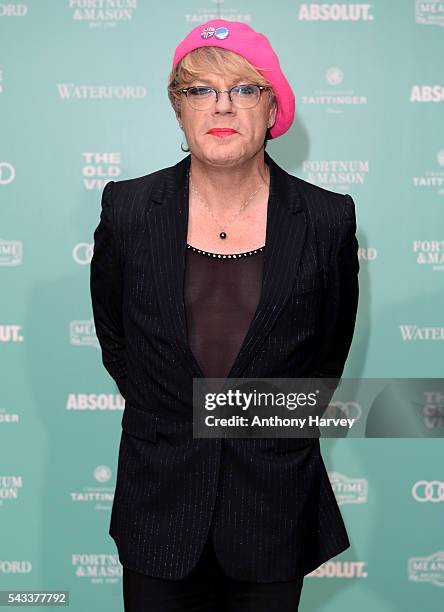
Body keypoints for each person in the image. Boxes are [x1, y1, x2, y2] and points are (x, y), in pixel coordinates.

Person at [90, 19, 360, 612]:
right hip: (157, 503)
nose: (222, 106)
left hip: (273, 503)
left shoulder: (327, 219)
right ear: (177, 108)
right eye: (199, 90)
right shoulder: (128, 209)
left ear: (273, 109)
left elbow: (326, 355)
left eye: (244, 89)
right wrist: (173, 413)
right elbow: (115, 335)